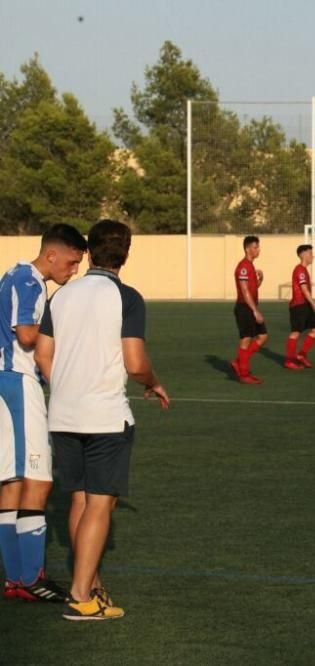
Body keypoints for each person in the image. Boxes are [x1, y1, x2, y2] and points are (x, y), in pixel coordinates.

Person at [34, 219, 170, 621]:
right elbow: (135, 362)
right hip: (105, 416)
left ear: (89, 251)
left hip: (63, 414)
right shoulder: (126, 298)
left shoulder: (62, 296)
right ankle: (81, 595)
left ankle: (90, 585)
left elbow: (44, 354)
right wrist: (154, 382)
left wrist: (67, 388)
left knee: (77, 498)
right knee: (99, 502)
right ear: (125, 254)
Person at [0, 224, 87, 602]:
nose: (73, 270)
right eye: (71, 262)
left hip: (10, 381)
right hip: (18, 382)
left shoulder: (19, 276)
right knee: (38, 479)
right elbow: (26, 334)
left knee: (14, 482)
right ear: (51, 254)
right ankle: (29, 576)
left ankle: (17, 578)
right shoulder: (29, 280)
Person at [231, 236, 267, 384]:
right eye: (255, 247)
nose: (258, 250)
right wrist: (255, 311)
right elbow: (245, 292)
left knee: (262, 336)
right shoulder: (244, 266)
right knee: (246, 340)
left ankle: (238, 362)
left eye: (258, 247)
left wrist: (260, 280)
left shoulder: (250, 266)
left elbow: (251, 290)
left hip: (250, 306)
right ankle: (244, 374)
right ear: (247, 248)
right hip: (244, 308)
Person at [285, 244, 315, 371]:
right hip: (298, 306)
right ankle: (289, 360)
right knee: (296, 332)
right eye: (310, 253)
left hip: (305, 305)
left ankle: (301, 355)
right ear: (303, 255)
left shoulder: (304, 270)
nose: (313, 256)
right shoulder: (300, 270)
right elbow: (304, 290)